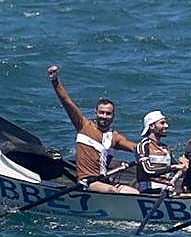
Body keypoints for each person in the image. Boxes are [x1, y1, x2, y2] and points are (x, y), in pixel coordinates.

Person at [47, 64, 138, 194]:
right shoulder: (83, 125)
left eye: (108, 114)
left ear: (113, 116)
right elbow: (66, 101)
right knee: (112, 190)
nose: (104, 116)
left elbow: (135, 148)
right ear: (96, 112)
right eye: (101, 113)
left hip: (105, 181)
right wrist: (55, 81)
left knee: (134, 193)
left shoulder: (115, 137)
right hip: (88, 182)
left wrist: (153, 151)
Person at [135, 110, 189, 194]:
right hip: (148, 191)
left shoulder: (166, 148)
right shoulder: (143, 145)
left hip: (165, 190)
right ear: (152, 126)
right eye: (162, 123)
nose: (166, 126)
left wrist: (184, 165)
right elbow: (148, 170)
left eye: (166, 123)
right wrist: (174, 167)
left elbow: (177, 170)